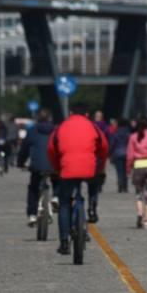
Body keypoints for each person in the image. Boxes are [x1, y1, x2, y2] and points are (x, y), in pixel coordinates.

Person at [47, 103, 108, 255]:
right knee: (94, 181)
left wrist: (57, 168)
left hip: (67, 169)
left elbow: (51, 148)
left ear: (70, 113)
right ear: (87, 114)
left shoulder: (61, 127)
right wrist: (100, 165)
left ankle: (64, 243)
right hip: (89, 168)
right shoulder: (93, 127)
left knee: (65, 203)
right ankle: (92, 207)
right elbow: (104, 147)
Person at [17, 108, 55, 226]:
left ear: (37, 119)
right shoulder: (56, 130)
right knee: (57, 179)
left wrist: (20, 163)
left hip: (36, 165)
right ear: (50, 118)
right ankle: (56, 198)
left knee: (33, 188)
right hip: (53, 164)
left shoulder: (32, 130)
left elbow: (24, 149)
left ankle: (32, 214)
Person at [109, 119, 131, 193]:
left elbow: (112, 144)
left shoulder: (116, 133)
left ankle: (120, 186)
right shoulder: (128, 134)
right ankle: (125, 186)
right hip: (127, 154)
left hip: (117, 154)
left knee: (119, 171)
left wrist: (110, 153)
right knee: (126, 171)